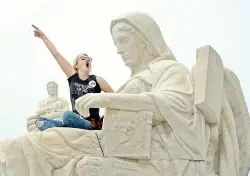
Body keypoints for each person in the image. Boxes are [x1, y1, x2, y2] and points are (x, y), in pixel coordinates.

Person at [32, 24, 114, 130]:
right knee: (41, 120)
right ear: (76, 65)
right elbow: (56, 54)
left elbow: (115, 97)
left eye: (89, 58)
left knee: (67, 115)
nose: (87, 59)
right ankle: (61, 130)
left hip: (91, 123)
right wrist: (43, 37)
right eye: (83, 58)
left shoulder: (97, 80)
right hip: (76, 120)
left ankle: (60, 128)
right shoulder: (72, 77)